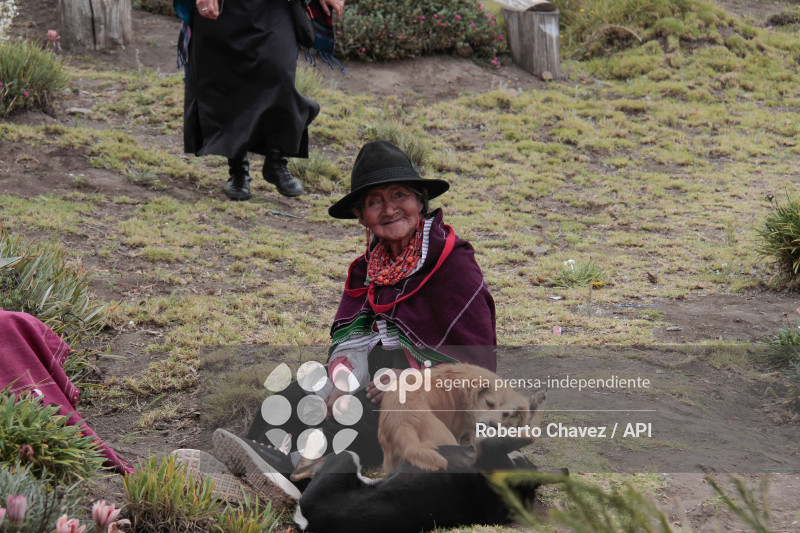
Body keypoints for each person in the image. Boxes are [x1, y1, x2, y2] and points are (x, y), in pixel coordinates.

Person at [178, 140, 497, 506]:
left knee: (354, 414)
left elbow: (476, 366)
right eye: (374, 202)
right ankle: (255, 470)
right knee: (296, 394)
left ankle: (292, 481)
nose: (390, 209)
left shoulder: (452, 264)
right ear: (361, 216)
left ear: (420, 199)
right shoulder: (367, 269)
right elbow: (354, 340)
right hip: (374, 378)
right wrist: (343, 380)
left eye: (399, 196)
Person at [180, 0, 343, 201]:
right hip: (224, 9)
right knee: (227, 79)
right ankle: (238, 168)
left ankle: (276, 159)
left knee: (279, 72)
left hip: (275, 7)